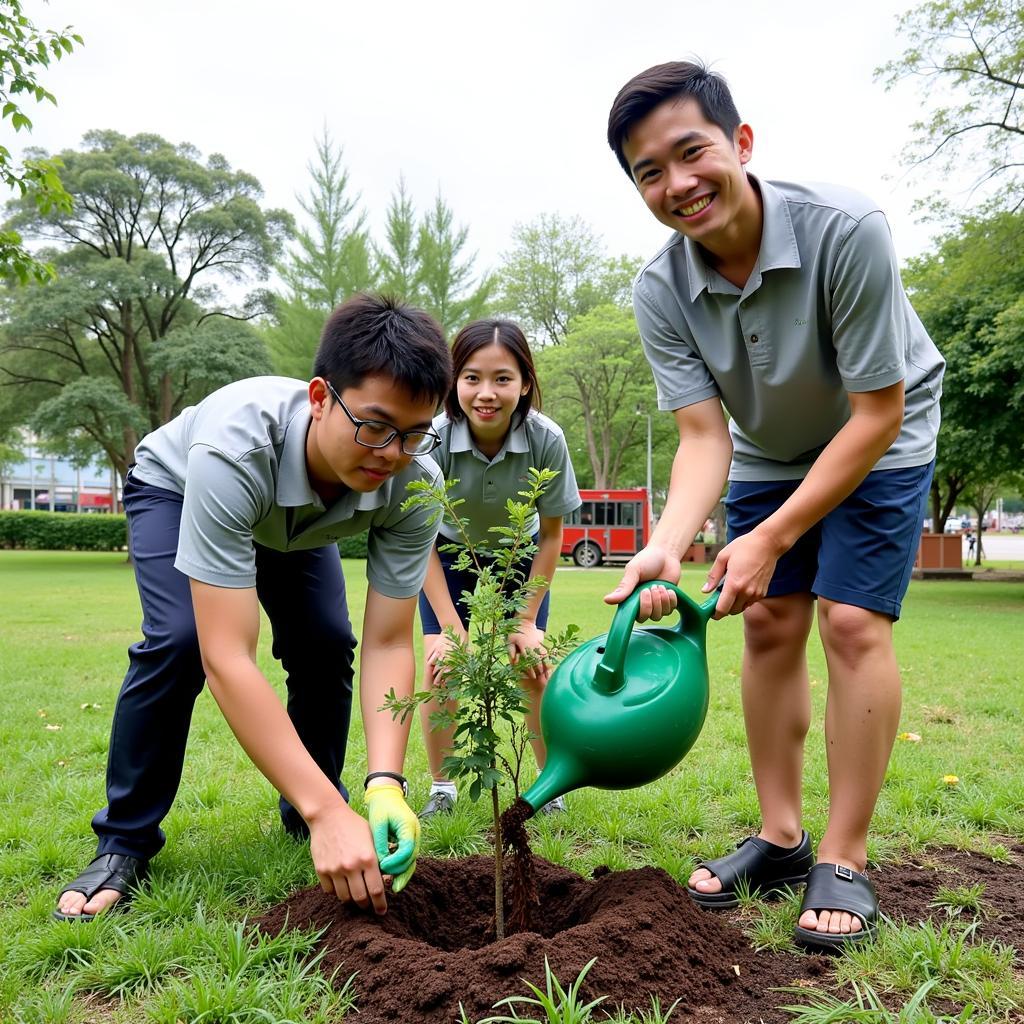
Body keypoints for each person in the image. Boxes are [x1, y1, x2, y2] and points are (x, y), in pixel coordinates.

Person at [604, 61, 945, 950]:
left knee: (852, 625)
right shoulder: (659, 290)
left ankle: (844, 854)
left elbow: (876, 412)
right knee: (767, 624)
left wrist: (776, 534)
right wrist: (666, 545)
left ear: (741, 144)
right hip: (765, 444)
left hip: (883, 432)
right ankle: (783, 836)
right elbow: (703, 438)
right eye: (648, 172)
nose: (675, 185)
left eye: (691, 153)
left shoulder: (847, 230)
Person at [54, 294, 453, 922]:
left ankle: (313, 810)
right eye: (374, 426)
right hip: (181, 488)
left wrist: (385, 784)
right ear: (321, 397)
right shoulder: (233, 447)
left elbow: (388, 642)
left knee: (325, 641)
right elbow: (227, 658)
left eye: (413, 433)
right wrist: (332, 814)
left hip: (297, 525)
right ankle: (124, 841)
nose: (390, 453)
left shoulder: (415, 480)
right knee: (181, 641)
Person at [416, 319, 581, 818]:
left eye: (502, 378)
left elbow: (552, 534)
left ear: (525, 382)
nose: (486, 393)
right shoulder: (432, 439)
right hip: (446, 553)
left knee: (532, 665)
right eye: (471, 377)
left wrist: (527, 621)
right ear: (452, 381)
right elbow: (419, 537)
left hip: (520, 555)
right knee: (441, 669)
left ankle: (547, 789)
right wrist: (448, 628)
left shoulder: (546, 438)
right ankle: (442, 791)